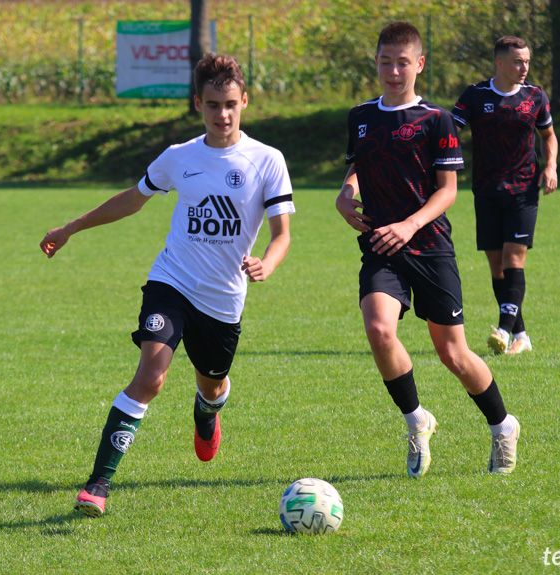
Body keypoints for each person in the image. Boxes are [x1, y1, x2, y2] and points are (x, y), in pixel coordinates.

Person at [40, 53, 295, 517]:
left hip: (223, 300)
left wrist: (268, 264)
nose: (223, 114)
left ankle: (207, 411)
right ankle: (97, 485)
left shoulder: (267, 160)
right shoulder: (180, 158)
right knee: (150, 376)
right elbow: (131, 200)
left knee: (212, 385)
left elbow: (282, 234)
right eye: (213, 104)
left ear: (245, 102)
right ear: (198, 103)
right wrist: (70, 228)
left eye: (231, 104)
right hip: (171, 282)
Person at [335, 21, 520, 478]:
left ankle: (502, 426)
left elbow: (447, 191)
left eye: (402, 63)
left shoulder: (435, 119)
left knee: (452, 353)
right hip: (380, 244)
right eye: (385, 62)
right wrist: (346, 191)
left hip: (431, 247)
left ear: (418, 64)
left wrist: (409, 224)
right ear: (375, 63)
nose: (393, 71)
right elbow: (359, 166)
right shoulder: (361, 116)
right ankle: (416, 420)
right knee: (379, 329)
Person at [452, 35, 559, 355]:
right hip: (485, 190)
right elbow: (448, 131)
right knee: (497, 267)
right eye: (517, 61)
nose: (524, 67)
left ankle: (503, 328)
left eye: (527, 61)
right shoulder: (475, 95)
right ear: (499, 63)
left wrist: (551, 165)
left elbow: (549, 136)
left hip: (524, 189)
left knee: (514, 258)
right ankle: (521, 336)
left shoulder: (535, 96)